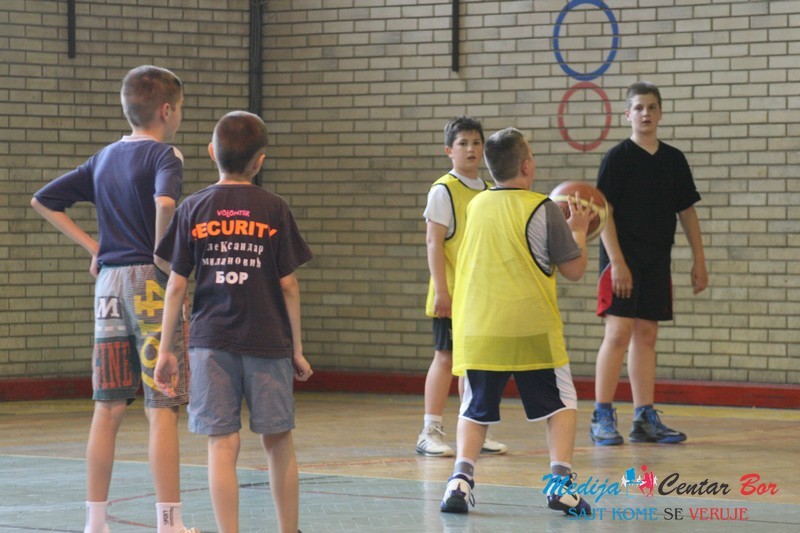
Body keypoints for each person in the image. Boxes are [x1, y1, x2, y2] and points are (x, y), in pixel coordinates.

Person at [31, 65, 196, 533]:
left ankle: (95, 521)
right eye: (181, 109)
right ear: (167, 110)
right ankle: (169, 522)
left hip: (107, 286)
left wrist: (94, 247)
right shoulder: (165, 154)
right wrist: (164, 261)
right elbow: (166, 204)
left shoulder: (102, 158)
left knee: (107, 406)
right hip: (149, 283)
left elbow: (43, 200)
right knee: (161, 406)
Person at [154, 111, 313, 533]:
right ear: (259, 161)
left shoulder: (192, 208)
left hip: (210, 343)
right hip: (268, 341)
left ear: (212, 152)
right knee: (278, 440)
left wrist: (167, 349)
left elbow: (175, 286)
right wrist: (297, 349)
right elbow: (289, 285)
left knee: (222, 444)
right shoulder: (274, 208)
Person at [440, 127, 594, 516]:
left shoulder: (476, 204)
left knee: (473, 408)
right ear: (526, 166)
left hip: (479, 327)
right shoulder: (543, 207)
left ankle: (460, 481)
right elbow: (574, 269)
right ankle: (560, 485)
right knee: (562, 404)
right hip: (530, 328)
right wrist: (578, 229)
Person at [589, 81, 708, 446]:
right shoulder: (617, 158)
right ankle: (602, 416)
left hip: (657, 259)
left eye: (652, 107)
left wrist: (699, 259)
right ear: (628, 114)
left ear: (661, 113)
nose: (646, 113)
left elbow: (686, 211)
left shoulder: (674, 160)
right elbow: (603, 213)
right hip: (621, 260)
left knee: (647, 335)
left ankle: (644, 418)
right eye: (639, 108)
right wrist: (617, 262)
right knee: (618, 333)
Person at [418, 115, 508, 458]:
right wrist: (442, 291)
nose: (470, 149)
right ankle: (429, 431)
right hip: (452, 293)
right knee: (446, 359)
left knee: (476, 363)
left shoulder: (488, 191)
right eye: (463, 143)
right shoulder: (443, 190)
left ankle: (474, 429)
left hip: (479, 296)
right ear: (449, 150)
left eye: (476, 143)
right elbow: (434, 242)